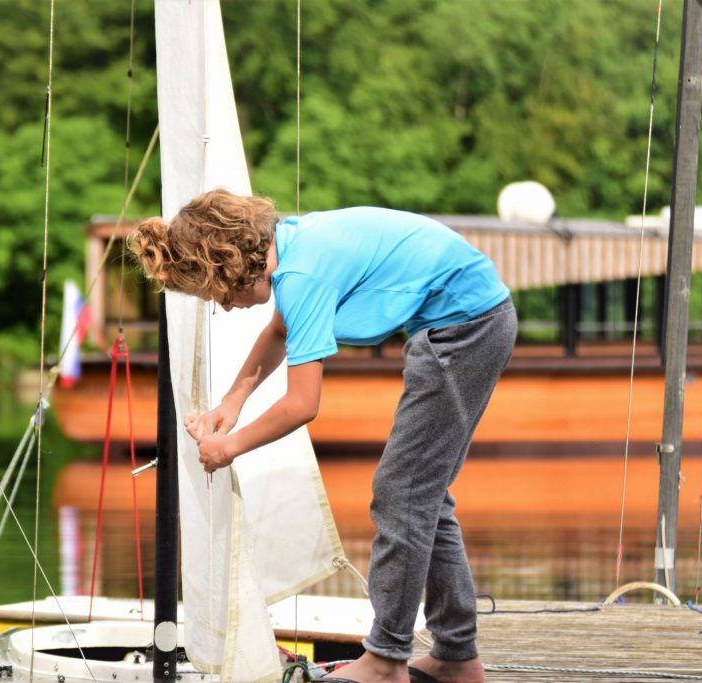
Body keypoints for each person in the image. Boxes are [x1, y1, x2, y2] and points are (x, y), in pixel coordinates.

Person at [128, 188, 515, 683]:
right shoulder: (293, 246)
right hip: (467, 321)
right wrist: (231, 402)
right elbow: (279, 332)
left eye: (217, 294)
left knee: (401, 495)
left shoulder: (301, 276)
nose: (224, 305)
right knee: (422, 498)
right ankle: (456, 657)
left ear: (229, 267)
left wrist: (230, 447)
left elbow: (302, 405)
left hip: (464, 328)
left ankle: (386, 660)